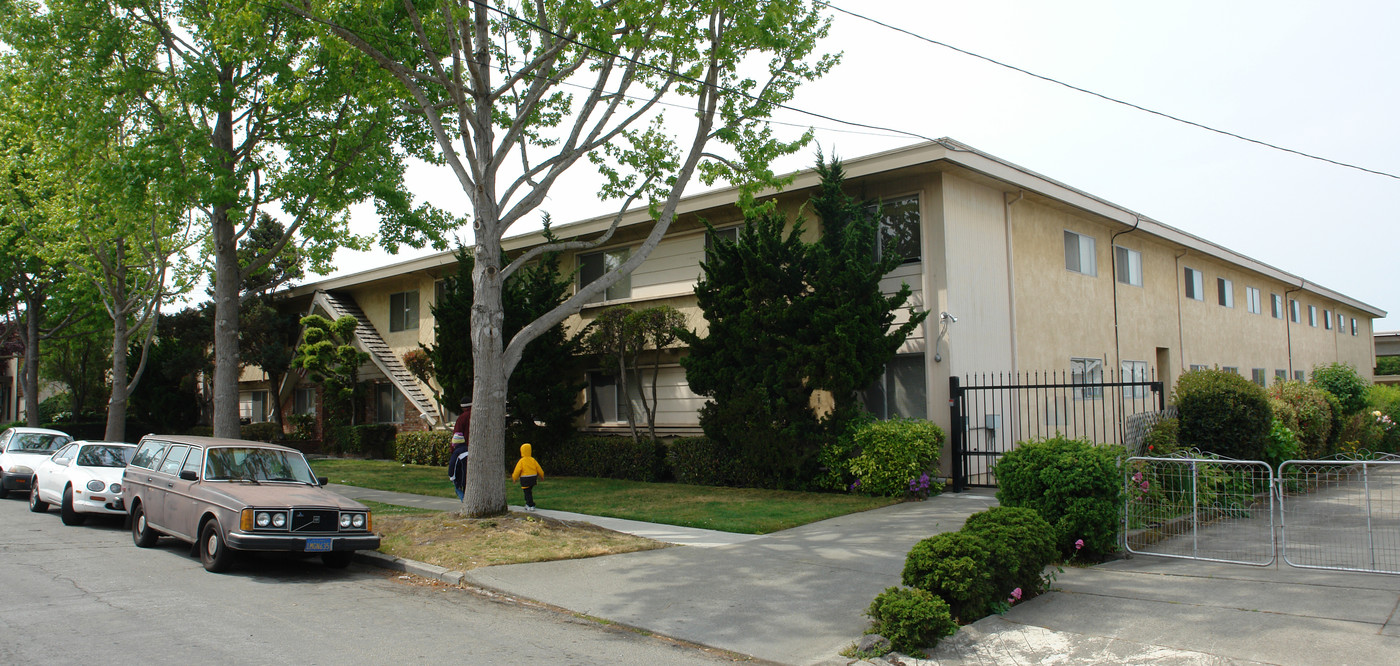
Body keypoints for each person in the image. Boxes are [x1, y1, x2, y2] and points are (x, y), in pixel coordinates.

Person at [510, 443, 544, 511]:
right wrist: (542, 475)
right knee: (529, 491)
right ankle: (528, 503)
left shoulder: (521, 461)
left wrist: (514, 478)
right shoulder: (533, 460)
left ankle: (530, 504)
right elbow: (538, 468)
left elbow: (517, 470)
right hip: (533, 478)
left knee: (527, 492)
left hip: (525, 478)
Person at [447, 433, 470, 500]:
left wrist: (451, 476)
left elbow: (452, 465)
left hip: (460, 477)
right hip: (469, 476)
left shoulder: (457, 453)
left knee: (458, 489)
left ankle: (464, 502)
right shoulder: (468, 449)